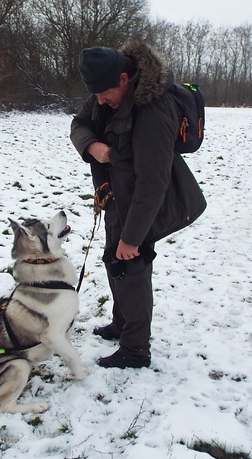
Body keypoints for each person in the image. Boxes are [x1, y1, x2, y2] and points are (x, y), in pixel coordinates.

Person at [70, 40, 206, 369]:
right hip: (117, 196)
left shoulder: (153, 110)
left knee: (132, 267)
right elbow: (79, 123)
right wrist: (93, 147)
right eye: (96, 95)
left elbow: (153, 182)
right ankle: (121, 324)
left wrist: (132, 238)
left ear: (124, 78)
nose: (99, 101)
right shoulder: (105, 93)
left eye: (104, 94)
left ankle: (135, 350)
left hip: (145, 205)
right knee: (113, 261)